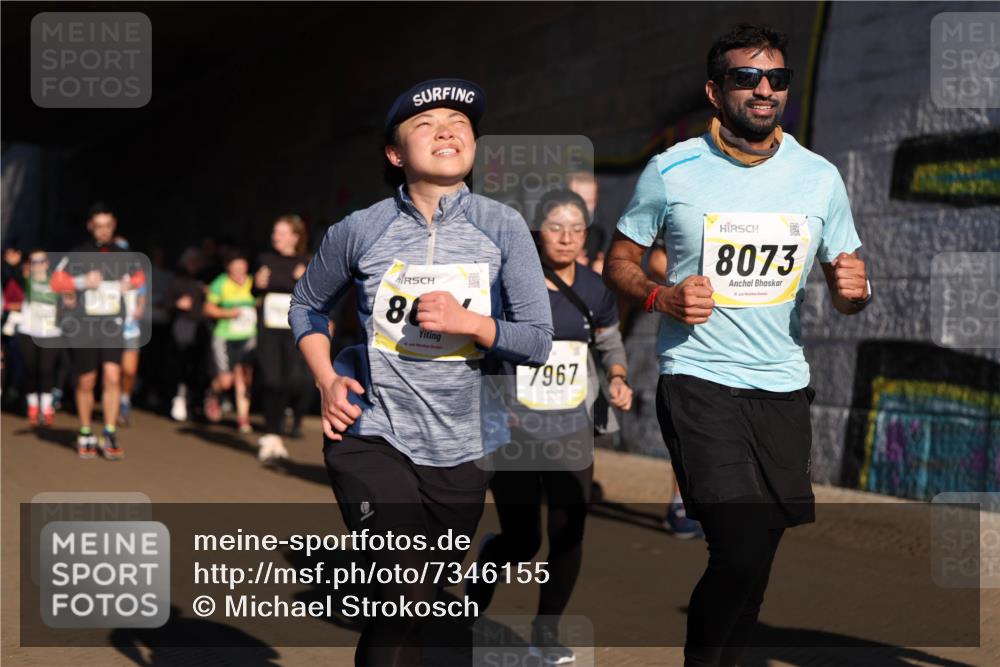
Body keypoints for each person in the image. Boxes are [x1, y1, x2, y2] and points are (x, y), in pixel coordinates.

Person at [603, 24, 869, 667]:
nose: (764, 89)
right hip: (698, 376)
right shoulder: (672, 170)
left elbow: (846, 279)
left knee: (761, 553)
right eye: (747, 77)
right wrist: (661, 296)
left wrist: (852, 291)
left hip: (782, 384)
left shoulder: (820, 176)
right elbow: (619, 259)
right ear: (715, 90)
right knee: (739, 546)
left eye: (777, 78)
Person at [289, 78, 553, 666]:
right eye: (426, 124)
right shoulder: (358, 229)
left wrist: (473, 324)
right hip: (371, 432)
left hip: (463, 445)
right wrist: (327, 379)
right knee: (403, 587)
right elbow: (306, 305)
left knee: (419, 602)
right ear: (394, 152)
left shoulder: (504, 226)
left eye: (460, 124)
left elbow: (537, 341)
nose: (447, 131)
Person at [469, 189, 632, 665]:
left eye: (575, 229)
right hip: (515, 429)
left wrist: (618, 378)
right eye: (555, 228)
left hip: (570, 427)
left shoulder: (596, 289)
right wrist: (502, 403)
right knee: (523, 540)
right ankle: (473, 599)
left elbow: (609, 344)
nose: (565, 238)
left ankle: (546, 633)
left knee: (569, 532)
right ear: (539, 232)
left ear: (586, 235)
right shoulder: (509, 285)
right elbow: (487, 345)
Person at [52, 203, 145, 460]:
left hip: (112, 325)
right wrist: (82, 282)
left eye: (108, 226)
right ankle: (84, 431)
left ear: (113, 225)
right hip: (85, 326)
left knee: (113, 376)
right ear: (90, 226)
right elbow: (55, 280)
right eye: (99, 226)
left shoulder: (124, 254)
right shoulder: (78, 253)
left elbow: (140, 277)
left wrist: (130, 284)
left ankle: (110, 430)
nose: (103, 231)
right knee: (86, 380)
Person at [253, 215, 313, 461]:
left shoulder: (305, 262)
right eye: (274, 232)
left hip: (292, 330)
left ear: (295, 237)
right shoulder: (264, 260)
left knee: (288, 380)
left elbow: (315, 297)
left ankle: (276, 433)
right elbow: (254, 292)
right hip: (268, 329)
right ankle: (270, 433)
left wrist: (303, 281)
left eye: (281, 232)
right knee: (271, 378)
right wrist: (256, 284)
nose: (275, 236)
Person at [204, 252, 256, 434]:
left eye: (242, 267)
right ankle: (213, 393)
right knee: (226, 381)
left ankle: (243, 418)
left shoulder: (252, 282)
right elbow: (208, 308)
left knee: (244, 377)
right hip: (225, 336)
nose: (239, 271)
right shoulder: (220, 283)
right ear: (229, 268)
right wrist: (229, 313)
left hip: (248, 335)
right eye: (236, 267)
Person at [16, 249, 62, 426]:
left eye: (41, 261)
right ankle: (33, 407)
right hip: (28, 331)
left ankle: (46, 408)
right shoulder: (26, 281)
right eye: (34, 262)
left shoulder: (56, 281)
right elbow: (10, 275)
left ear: (47, 263)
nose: (38, 265)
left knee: (46, 369)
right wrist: (13, 265)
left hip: (51, 332)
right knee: (31, 370)